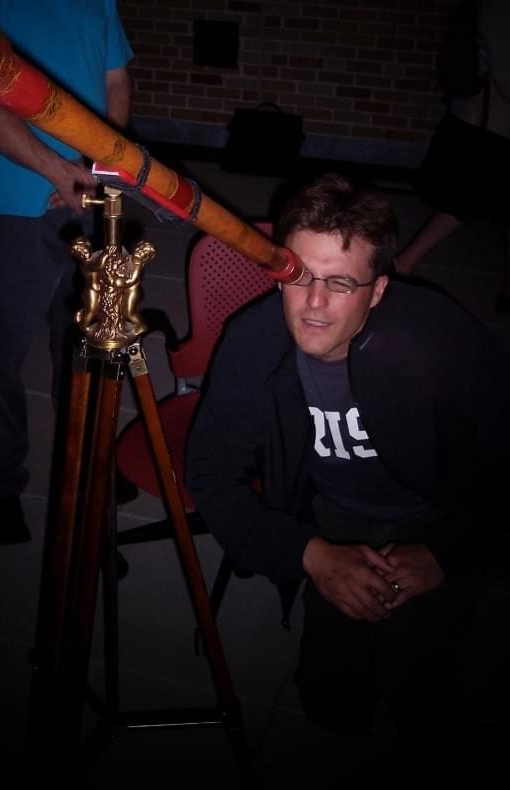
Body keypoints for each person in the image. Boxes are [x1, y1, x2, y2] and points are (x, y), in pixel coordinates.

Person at [186, 172, 510, 784]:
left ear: (378, 290)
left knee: (419, 682)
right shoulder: (255, 340)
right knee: (331, 706)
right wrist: (309, 554)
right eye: (300, 276)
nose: (314, 304)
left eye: (340, 283)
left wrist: (445, 552)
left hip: (432, 512)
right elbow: (209, 471)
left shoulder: (440, 341)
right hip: (326, 513)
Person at [0, 0, 134, 543]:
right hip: (15, 200)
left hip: (87, 198)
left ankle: (81, 464)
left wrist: (96, 169)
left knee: (82, 347)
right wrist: (59, 170)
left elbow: (117, 82)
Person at [396, 0, 510, 312]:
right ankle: (405, 262)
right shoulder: (498, 8)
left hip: (489, 122)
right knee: (464, 199)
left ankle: (405, 262)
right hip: (488, 123)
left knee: (465, 200)